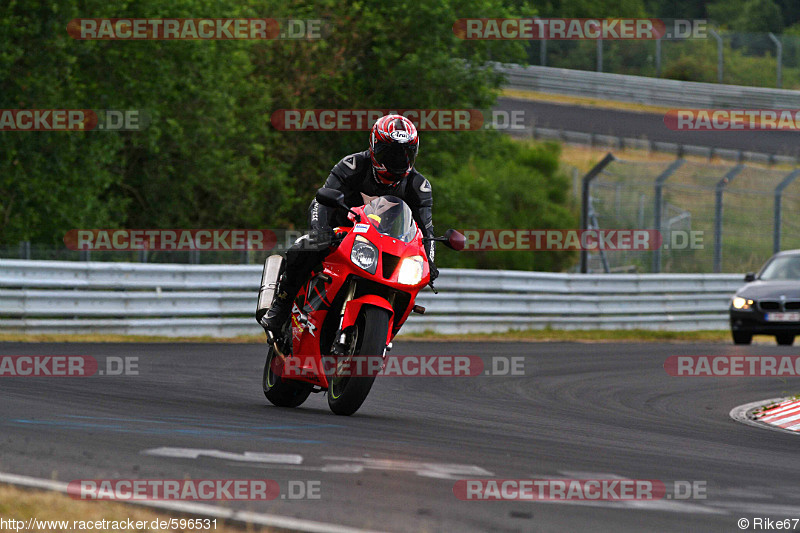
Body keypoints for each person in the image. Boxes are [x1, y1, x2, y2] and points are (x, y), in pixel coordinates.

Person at [259, 114, 438, 335]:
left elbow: (426, 230)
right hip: (341, 233)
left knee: (411, 275)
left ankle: (381, 334)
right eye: (390, 152)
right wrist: (321, 232)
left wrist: (429, 262)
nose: (397, 160)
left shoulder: (418, 186)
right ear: (374, 147)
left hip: (387, 244)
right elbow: (321, 199)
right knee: (304, 247)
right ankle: (281, 307)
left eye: (404, 153)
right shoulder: (352, 165)